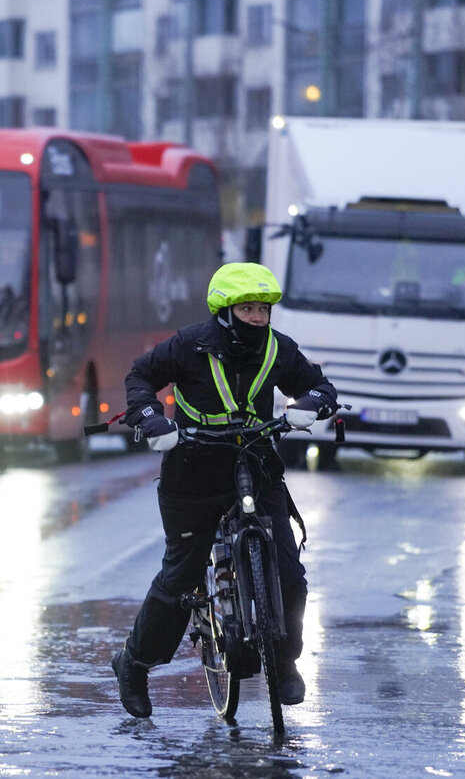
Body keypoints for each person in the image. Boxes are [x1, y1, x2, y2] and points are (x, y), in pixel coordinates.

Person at [111, 262, 339, 718]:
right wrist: (150, 418)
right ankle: (134, 664)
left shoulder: (278, 349)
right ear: (225, 311)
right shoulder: (188, 344)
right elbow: (139, 377)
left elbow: (320, 386)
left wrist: (311, 405)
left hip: (256, 466)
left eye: (263, 309)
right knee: (181, 578)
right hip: (193, 468)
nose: (258, 317)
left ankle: (285, 660)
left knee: (290, 573)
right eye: (248, 308)